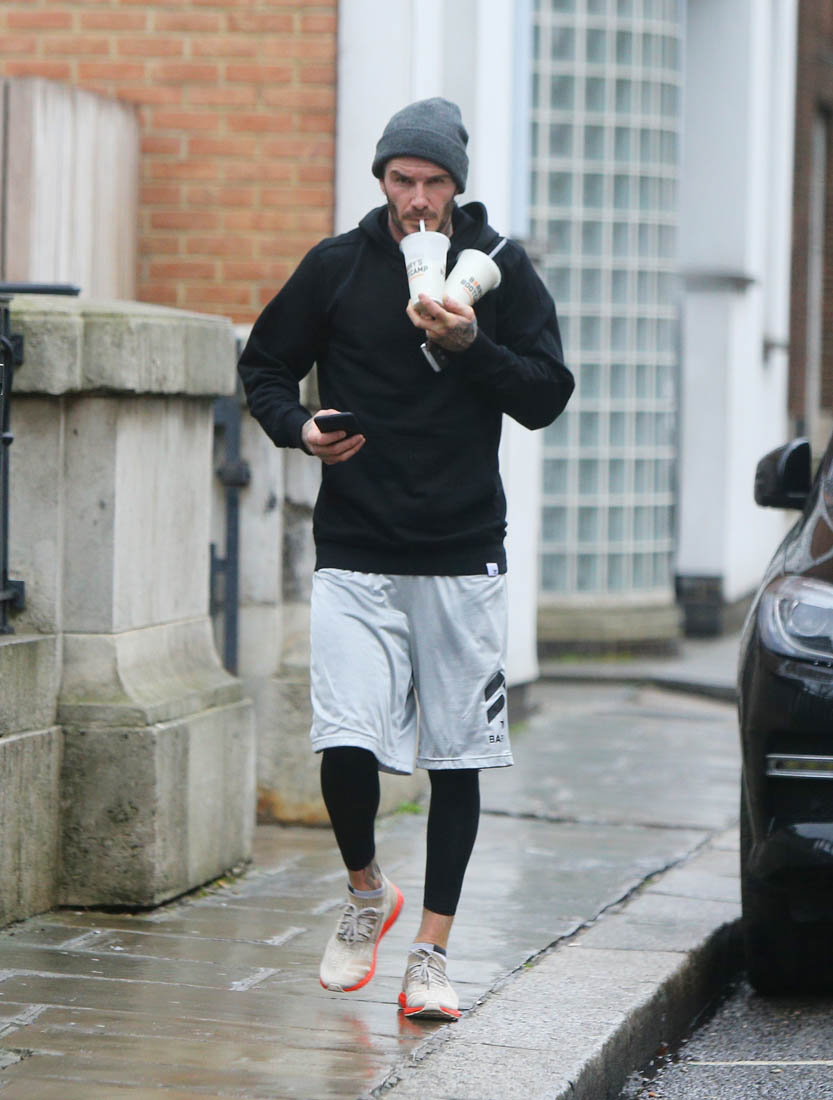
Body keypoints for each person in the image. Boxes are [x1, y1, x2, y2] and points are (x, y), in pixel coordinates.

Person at [238, 97, 573, 1021]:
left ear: (455, 185)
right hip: (356, 543)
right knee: (343, 741)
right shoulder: (338, 266)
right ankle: (364, 894)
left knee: (455, 758)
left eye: (432, 183)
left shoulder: (501, 267)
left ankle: (430, 954)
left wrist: (470, 344)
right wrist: (299, 429)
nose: (417, 199)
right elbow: (263, 367)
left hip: (462, 549)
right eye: (401, 180)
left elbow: (546, 395)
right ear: (381, 180)